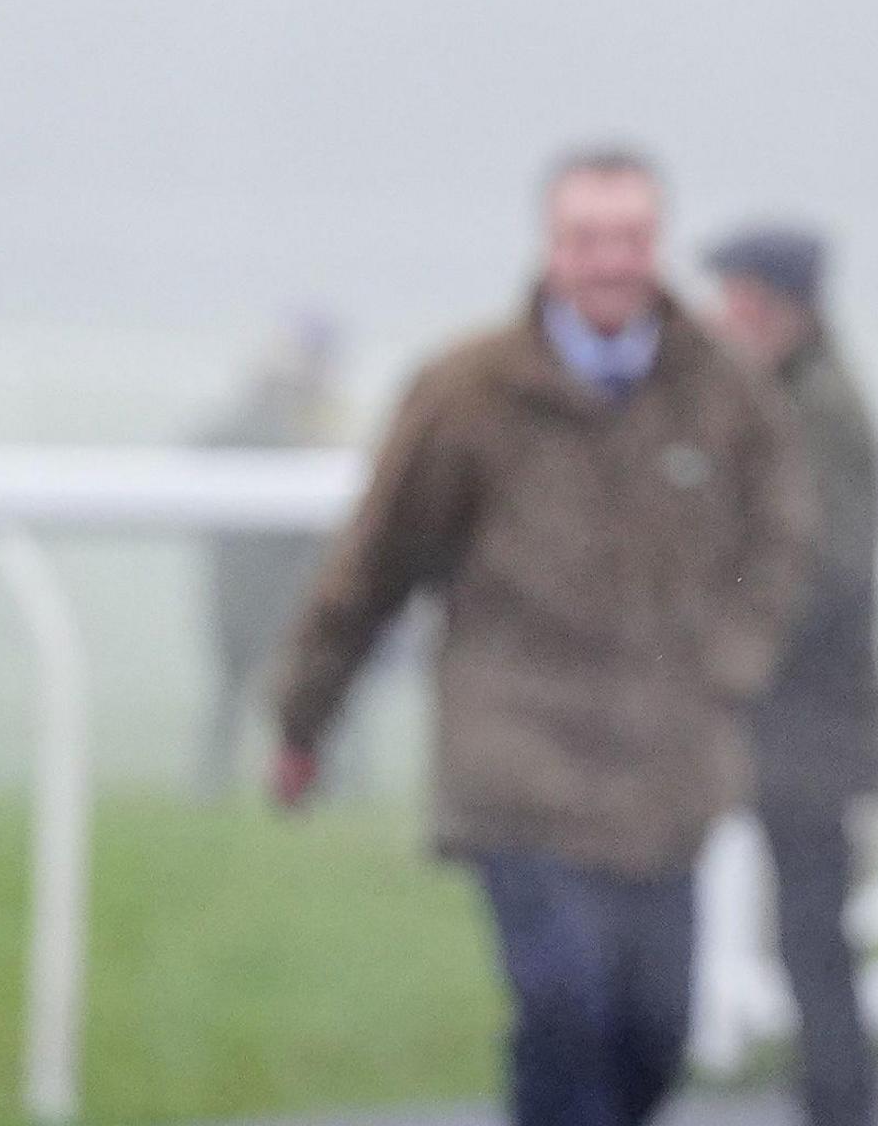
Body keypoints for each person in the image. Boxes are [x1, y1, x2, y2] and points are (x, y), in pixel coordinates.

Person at [272, 148, 813, 1126]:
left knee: (653, 1034)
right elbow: (375, 562)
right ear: (551, 249)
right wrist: (302, 718)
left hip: (665, 767)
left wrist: (732, 661)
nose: (609, 262)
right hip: (516, 760)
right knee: (564, 1008)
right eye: (586, 240)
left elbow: (782, 534)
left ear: (657, 247)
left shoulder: (723, 390)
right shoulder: (466, 392)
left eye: (629, 240)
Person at [702, 223, 878, 1126]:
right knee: (810, 937)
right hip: (801, 721)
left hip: (809, 724)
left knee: (813, 938)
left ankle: (840, 1107)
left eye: (736, 296)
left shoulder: (814, 410)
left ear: (780, 307)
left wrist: (727, 640)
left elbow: (830, 570)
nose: (721, 315)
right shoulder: (798, 395)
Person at [193, 312, 350, 803]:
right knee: (242, 685)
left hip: (285, 585)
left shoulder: (319, 424)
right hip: (253, 586)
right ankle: (215, 782)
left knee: (302, 684)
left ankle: (320, 783)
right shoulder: (262, 426)